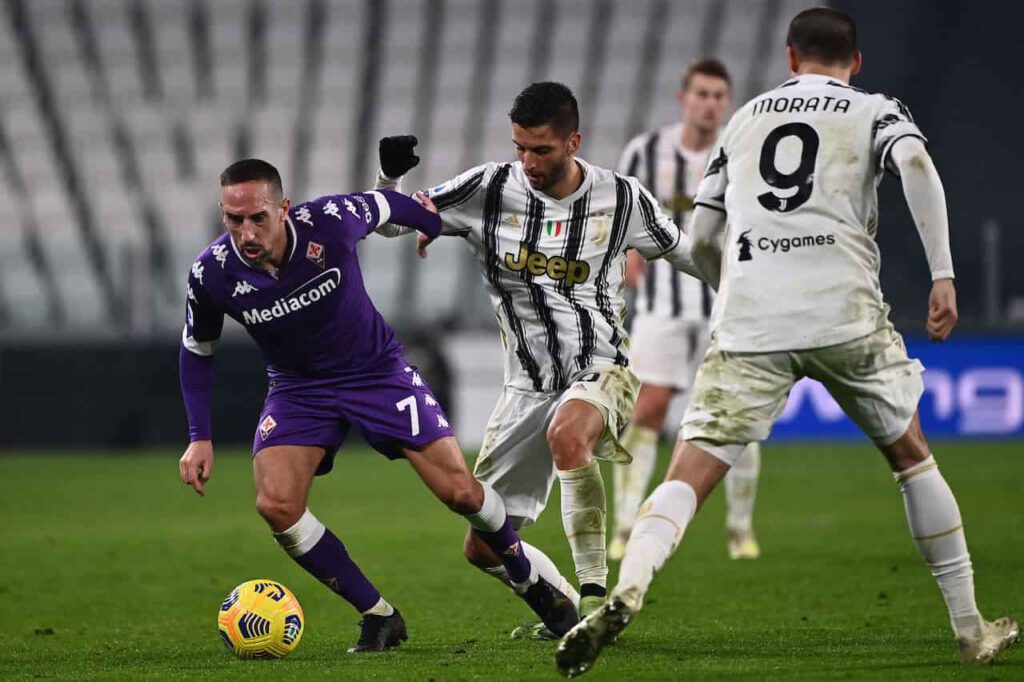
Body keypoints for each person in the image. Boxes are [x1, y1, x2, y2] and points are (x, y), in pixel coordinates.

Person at [557, 8, 1018, 676]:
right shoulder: (873, 110)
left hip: (752, 317)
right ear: (854, 62)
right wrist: (942, 273)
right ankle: (971, 627)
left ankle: (631, 587)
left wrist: (733, 288)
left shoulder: (744, 120)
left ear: (789, 58)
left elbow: (706, 234)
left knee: (688, 471)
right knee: (912, 456)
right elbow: (914, 159)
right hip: (844, 310)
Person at [177, 159, 579, 653]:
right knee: (277, 505)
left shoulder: (328, 221)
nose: (246, 231)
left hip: (376, 374)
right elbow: (197, 350)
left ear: (284, 208)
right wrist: (199, 435)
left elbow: (389, 204)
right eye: (233, 220)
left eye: (257, 217)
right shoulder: (211, 273)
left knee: (459, 493)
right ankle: (379, 615)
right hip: (298, 389)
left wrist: (430, 226)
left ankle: (528, 580)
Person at [374, 82, 709, 637]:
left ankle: (603, 600)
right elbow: (392, 221)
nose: (528, 161)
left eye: (542, 150)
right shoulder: (488, 187)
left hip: (603, 368)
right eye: (520, 148)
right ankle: (575, 614)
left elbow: (691, 255)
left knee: (568, 434)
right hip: (524, 387)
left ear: (573, 141)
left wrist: (752, 287)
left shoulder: (621, 198)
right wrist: (390, 180)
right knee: (484, 547)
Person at [611, 58, 763, 563]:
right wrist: (628, 252)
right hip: (662, 303)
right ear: (684, 97)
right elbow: (618, 209)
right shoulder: (646, 151)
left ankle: (740, 529)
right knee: (648, 409)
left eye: (720, 95)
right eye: (702, 93)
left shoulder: (743, 148)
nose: (710, 103)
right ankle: (627, 522)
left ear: (728, 101)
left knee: (735, 412)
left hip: (729, 303)